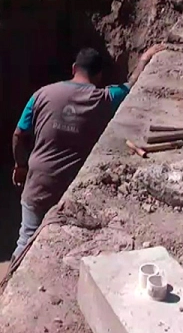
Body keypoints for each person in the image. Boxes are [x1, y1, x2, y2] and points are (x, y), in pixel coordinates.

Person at [10, 45, 165, 260]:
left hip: (37, 183)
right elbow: (131, 86)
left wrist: (21, 165)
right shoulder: (104, 99)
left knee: (26, 240)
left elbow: (19, 135)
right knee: (63, 248)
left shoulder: (41, 94)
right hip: (70, 191)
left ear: (74, 68)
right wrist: (145, 59)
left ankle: (7, 286)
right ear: (99, 75)